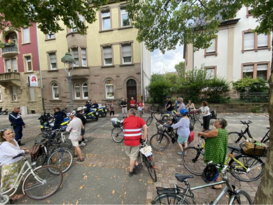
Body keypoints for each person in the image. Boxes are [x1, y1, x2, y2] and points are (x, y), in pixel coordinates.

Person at [198, 118, 228, 189]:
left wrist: (200, 133)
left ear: (220, 125)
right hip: (221, 150)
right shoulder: (224, 131)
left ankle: (218, 184)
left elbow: (207, 135)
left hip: (216, 151)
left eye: (216, 122)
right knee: (218, 165)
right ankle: (217, 179)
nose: (214, 122)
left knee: (215, 167)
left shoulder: (216, 131)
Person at [0, 128, 29, 202]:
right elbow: (15, 153)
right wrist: (25, 151)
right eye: (8, 134)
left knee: (20, 174)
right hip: (9, 165)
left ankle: (25, 183)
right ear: (4, 137)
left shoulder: (13, 140)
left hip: (16, 162)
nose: (11, 134)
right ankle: (12, 196)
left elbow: (16, 148)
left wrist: (21, 148)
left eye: (11, 132)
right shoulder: (4, 145)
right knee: (10, 181)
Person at [123, 109, 148, 177]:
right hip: (136, 142)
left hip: (127, 141)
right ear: (135, 114)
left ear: (129, 114)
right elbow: (146, 127)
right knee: (133, 156)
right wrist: (144, 136)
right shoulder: (139, 119)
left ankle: (131, 170)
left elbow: (125, 127)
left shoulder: (125, 120)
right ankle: (135, 165)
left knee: (130, 154)